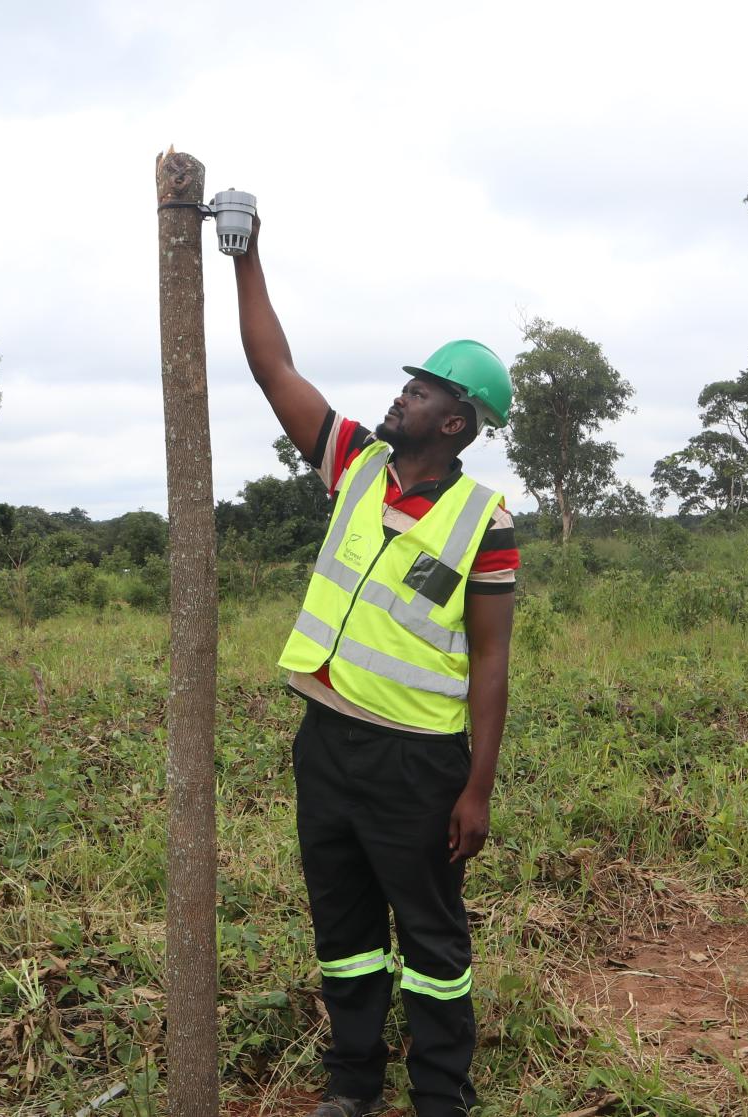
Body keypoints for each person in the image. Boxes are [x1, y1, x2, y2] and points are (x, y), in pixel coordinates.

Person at [233, 214, 517, 1117]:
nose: (401, 396)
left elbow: (493, 661)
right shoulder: (357, 463)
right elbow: (275, 370)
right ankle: (352, 1083)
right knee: (345, 933)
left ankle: (442, 1095)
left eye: (422, 389)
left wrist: (476, 790)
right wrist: (248, 259)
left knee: (432, 939)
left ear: (455, 420)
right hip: (327, 745)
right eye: (407, 384)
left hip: (417, 764)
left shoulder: (485, 520)